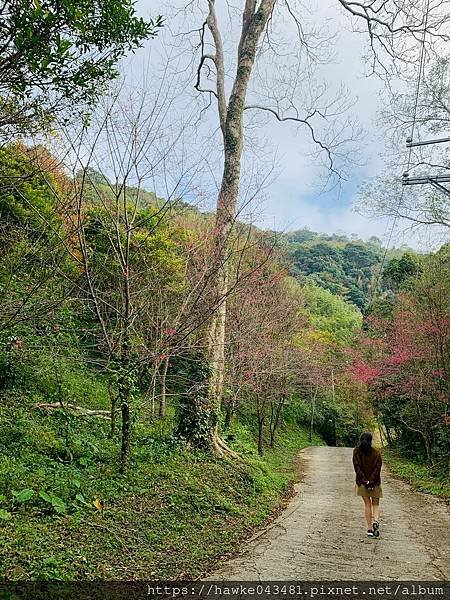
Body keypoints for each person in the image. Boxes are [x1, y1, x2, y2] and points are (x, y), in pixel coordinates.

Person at [353, 431, 382, 538]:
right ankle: (376, 520)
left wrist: (365, 481)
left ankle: (369, 529)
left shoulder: (356, 452)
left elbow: (357, 468)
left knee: (367, 504)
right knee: (375, 504)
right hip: (375, 484)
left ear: (360, 440)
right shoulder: (377, 453)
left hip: (361, 483)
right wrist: (371, 481)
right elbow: (377, 469)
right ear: (371, 441)